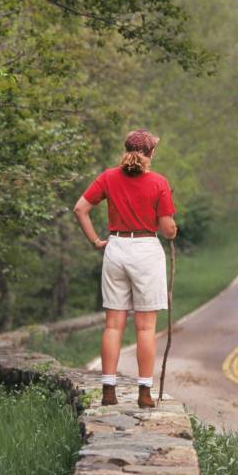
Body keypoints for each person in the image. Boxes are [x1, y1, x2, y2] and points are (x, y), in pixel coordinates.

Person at [73, 129, 177, 408]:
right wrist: (173, 228)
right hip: (145, 249)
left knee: (113, 324)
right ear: (151, 153)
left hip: (116, 248)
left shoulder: (108, 177)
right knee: (145, 327)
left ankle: (109, 390)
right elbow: (167, 230)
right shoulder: (158, 182)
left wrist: (96, 241)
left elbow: (80, 209)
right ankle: (144, 393)